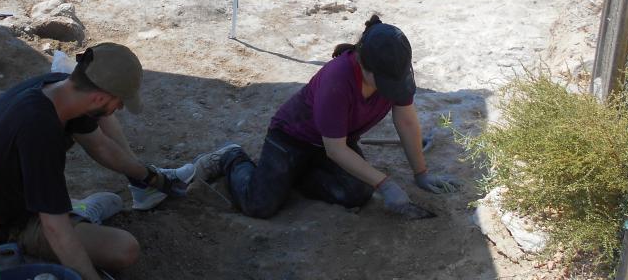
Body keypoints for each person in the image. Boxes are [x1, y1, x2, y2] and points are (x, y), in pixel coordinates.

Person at [194, 16, 461, 220]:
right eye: (383, 82)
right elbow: (336, 150)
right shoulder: (338, 79)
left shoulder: (395, 73)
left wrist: (421, 173)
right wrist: (386, 183)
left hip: (336, 142)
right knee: (260, 204)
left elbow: (406, 120)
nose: (389, 88)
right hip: (292, 139)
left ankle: (294, 175)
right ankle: (232, 158)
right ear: (362, 63)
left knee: (357, 193)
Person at [0, 43, 194, 280]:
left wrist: (150, 177)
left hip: (15, 194)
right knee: (124, 249)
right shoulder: (40, 130)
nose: (121, 108)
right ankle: (75, 220)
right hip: (10, 223)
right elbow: (54, 226)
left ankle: (125, 197)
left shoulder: (58, 88)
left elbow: (101, 146)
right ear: (99, 96)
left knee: (104, 118)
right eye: (120, 102)